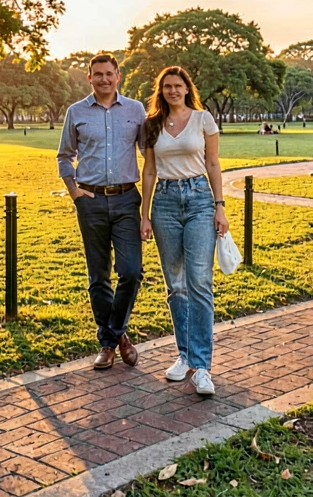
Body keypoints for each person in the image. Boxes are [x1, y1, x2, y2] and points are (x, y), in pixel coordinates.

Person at [139, 66, 226, 396]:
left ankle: (202, 365)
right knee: (175, 284)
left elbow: (214, 164)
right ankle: (184, 355)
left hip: (200, 200)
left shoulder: (204, 120)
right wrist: (144, 215)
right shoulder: (152, 125)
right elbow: (148, 170)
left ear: (187, 88)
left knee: (199, 281)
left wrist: (220, 206)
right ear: (160, 91)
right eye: (166, 87)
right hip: (164, 202)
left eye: (177, 86)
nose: (172, 91)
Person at [58, 53, 147, 371]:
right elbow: (64, 156)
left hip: (126, 200)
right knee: (98, 276)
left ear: (118, 76)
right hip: (91, 200)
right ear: (89, 78)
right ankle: (112, 343)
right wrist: (74, 192)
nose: (104, 79)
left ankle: (112, 337)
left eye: (109, 74)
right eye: (98, 74)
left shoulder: (136, 110)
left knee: (132, 271)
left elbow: (150, 152)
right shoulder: (76, 112)